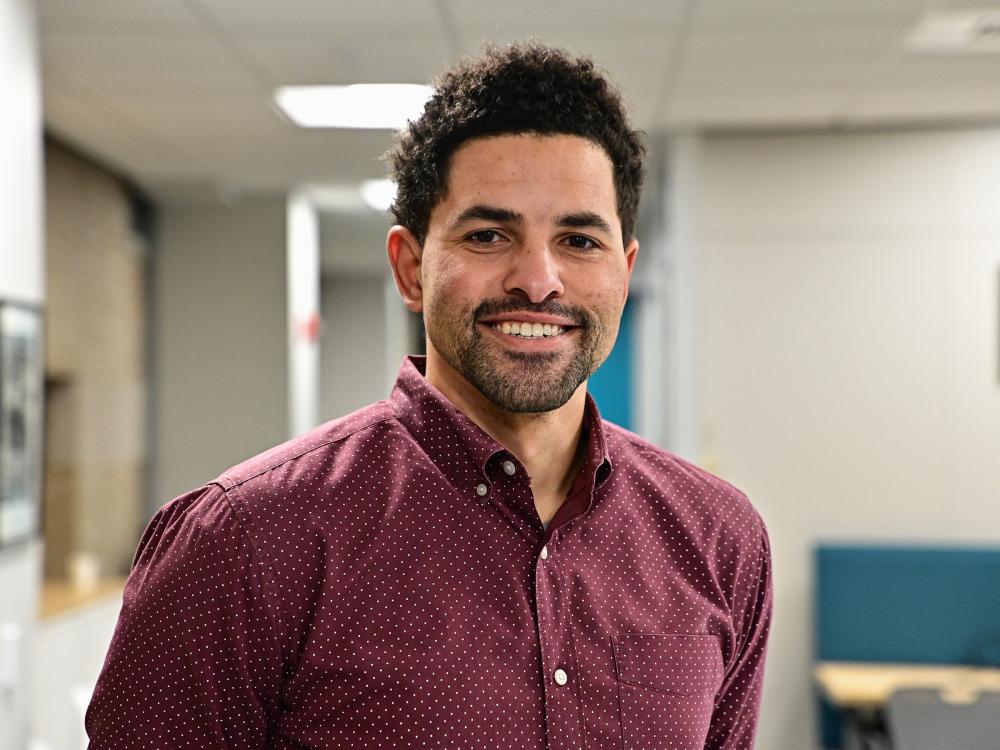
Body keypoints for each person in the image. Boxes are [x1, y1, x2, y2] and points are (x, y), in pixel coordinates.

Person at [86, 42, 772, 750]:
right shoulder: (244, 540)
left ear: (623, 274)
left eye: (578, 240)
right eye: (488, 234)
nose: (538, 280)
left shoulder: (719, 538)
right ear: (411, 269)